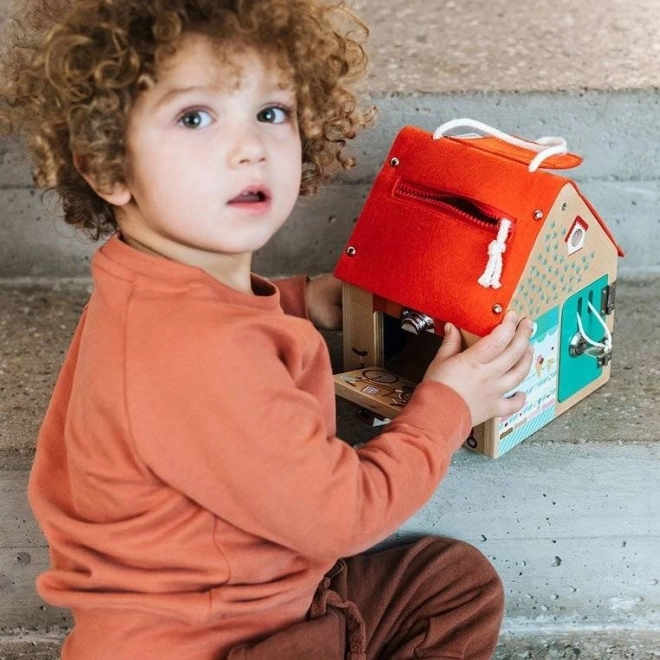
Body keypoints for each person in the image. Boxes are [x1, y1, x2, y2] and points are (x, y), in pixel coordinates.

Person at [1, 0, 534, 658]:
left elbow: (216, 319)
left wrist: (304, 300)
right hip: (220, 644)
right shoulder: (200, 357)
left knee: (449, 585)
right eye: (195, 117)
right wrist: (450, 407)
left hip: (225, 605)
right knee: (451, 598)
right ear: (107, 166)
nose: (249, 146)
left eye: (271, 112)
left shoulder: (145, 287)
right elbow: (345, 516)